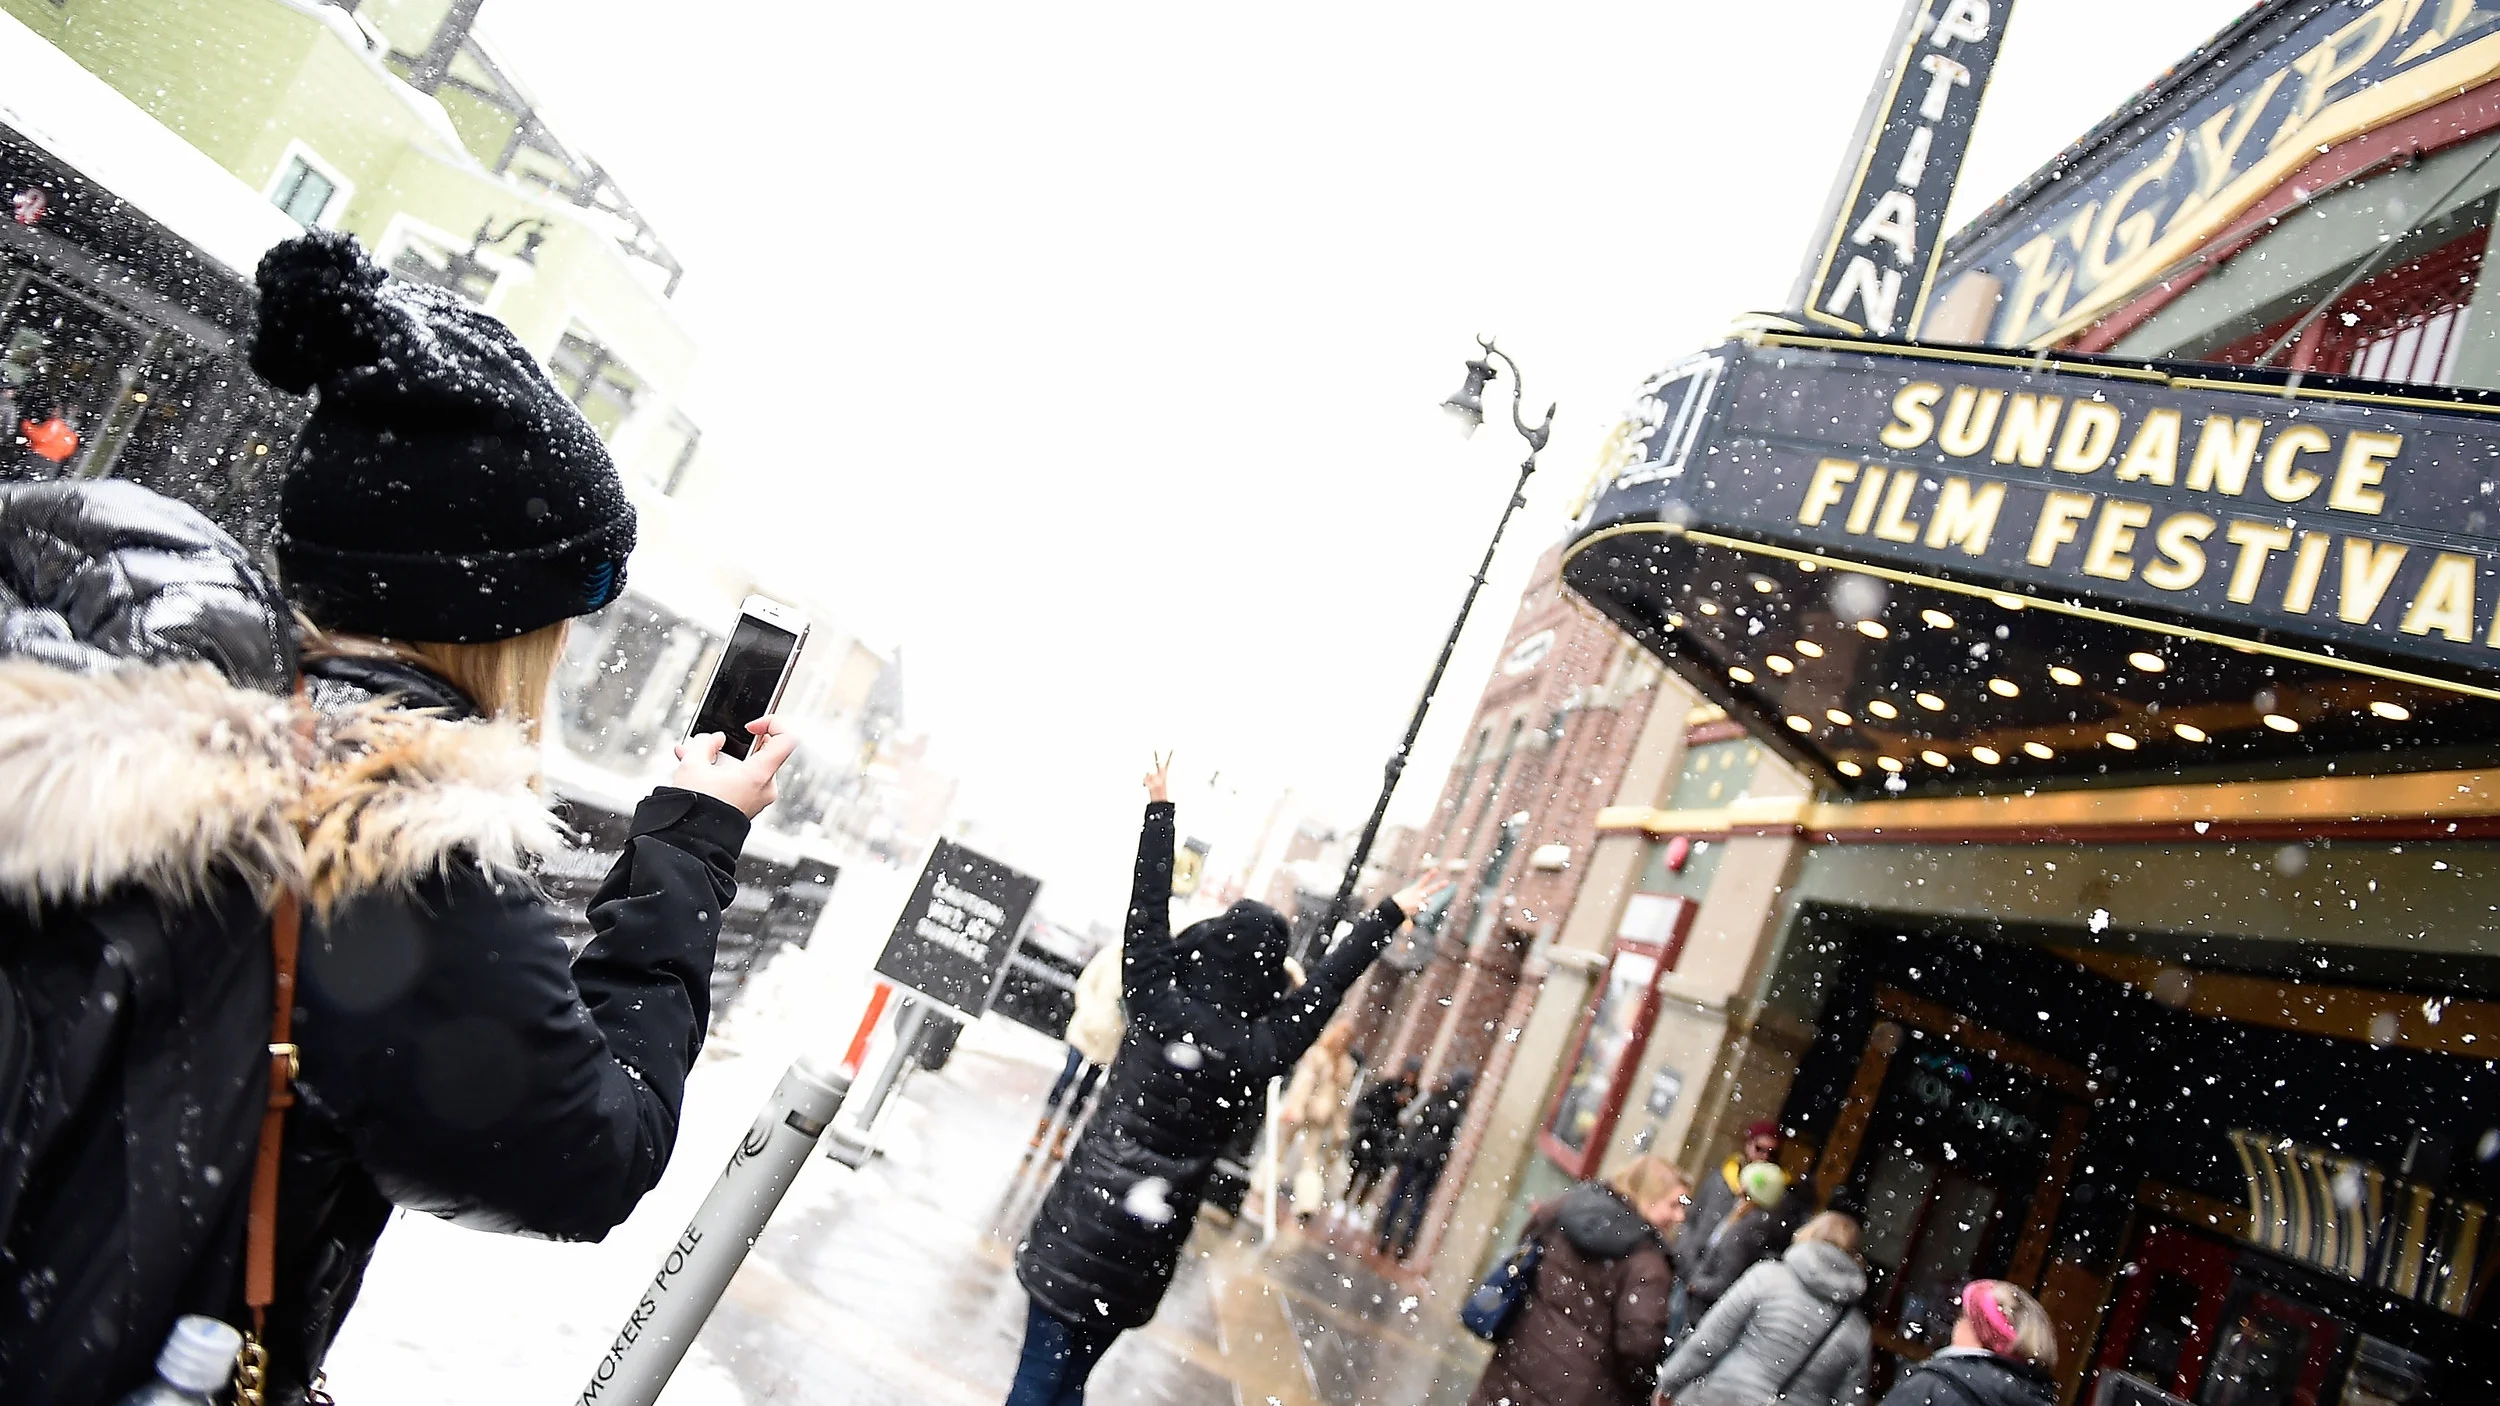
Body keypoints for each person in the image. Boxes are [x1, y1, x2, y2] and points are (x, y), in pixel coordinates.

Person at [0, 230, 795, 1405]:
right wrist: (687, 849)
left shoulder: (142, 710)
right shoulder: (383, 842)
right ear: (500, 624)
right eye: (563, 619)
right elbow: (589, 1153)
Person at [1009, 758, 1448, 1406]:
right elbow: (1327, 985)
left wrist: (1161, 812)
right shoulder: (1259, 1048)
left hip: (1082, 1218)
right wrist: (1385, 917)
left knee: (1037, 1381)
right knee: (1070, 1382)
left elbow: (1147, 909)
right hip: (1147, 1242)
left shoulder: (1155, 1000)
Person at [1468, 1156, 1687, 1406]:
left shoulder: (1568, 1208)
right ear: (1649, 1196)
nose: (1679, 1216)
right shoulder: (1647, 1264)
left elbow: (1526, 1248)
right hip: (1581, 1392)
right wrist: (1641, 1389)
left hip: (1516, 1363)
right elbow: (1639, 1346)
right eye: (1673, 1205)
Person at [1655, 1211, 1872, 1406]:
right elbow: (1849, 1400)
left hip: (1721, 1397)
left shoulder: (1766, 1278)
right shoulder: (1857, 1331)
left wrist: (1669, 1383)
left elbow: (1710, 1340)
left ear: (1808, 1234)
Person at [1875, 1281, 2059, 1406]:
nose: (1956, 1321)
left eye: (1963, 1313)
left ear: (1979, 1329)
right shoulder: (2033, 1397)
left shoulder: (1931, 1386)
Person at [1029, 937, 1123, 1161]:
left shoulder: (1141, 967)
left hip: (1109, 1039)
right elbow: (1087, 983)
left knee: (1086, 1090)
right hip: (1086, 1030)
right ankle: (1041, 1130)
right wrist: (1090, 1013)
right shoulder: (1110, 955)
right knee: (1067, 1077)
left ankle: (1061, 1138)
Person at [1375, 1066, 1475, 1261]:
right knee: (1419, 1202)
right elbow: (1456, 1138)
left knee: (1400, 1193)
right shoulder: (1460, 1108)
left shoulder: (1435, 1096)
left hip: (1417, 1152)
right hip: (1434, 1158)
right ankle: (1404, 1245)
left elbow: (1409, 1117)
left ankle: (1386, 1236)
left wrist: (1410, 1143)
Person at [1679, 1162, 1793, 1324]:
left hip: (1700, 1307)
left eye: (1744, 1192)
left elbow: (1725, 1282)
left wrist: (1695, 1284)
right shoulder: (1749, 1223)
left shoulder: (1746, 1231)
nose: (1738, 1192)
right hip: (1701, 1300)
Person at [1276, 1018, 1358, 1218]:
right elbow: (1304, 1082)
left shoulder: (1344, 1066)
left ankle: (1306, 1201)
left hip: (1320, 1115)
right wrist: (1295, 1106)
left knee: (1310, 1157)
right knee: (1283, 1148)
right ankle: (1268, 1185)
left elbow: (1342, 1100)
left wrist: (1340, 1126)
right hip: (1307, 1108)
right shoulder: (1320, 1056)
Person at [1679, 1120, 1783, 1274]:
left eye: (1771, 1153)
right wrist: (1684, 1254)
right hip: (1687, 1264)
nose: (1764, 1157)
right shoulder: (1721, 1178)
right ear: (1748, 1145)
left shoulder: (1771, 1199)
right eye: (1759, 1149)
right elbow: (1691, 1218)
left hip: (1718, 1277)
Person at [1346, 1056, 1421, 1208]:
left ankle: (1358, 1205)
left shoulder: (1415, 1095)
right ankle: (1345, 1198)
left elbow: (1409, 1117)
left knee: (1373, 1174)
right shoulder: (1390, 1085)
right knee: (1357, 1168)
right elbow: (1373, 1102)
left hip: (1389, 1138)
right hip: (1374, 1131)